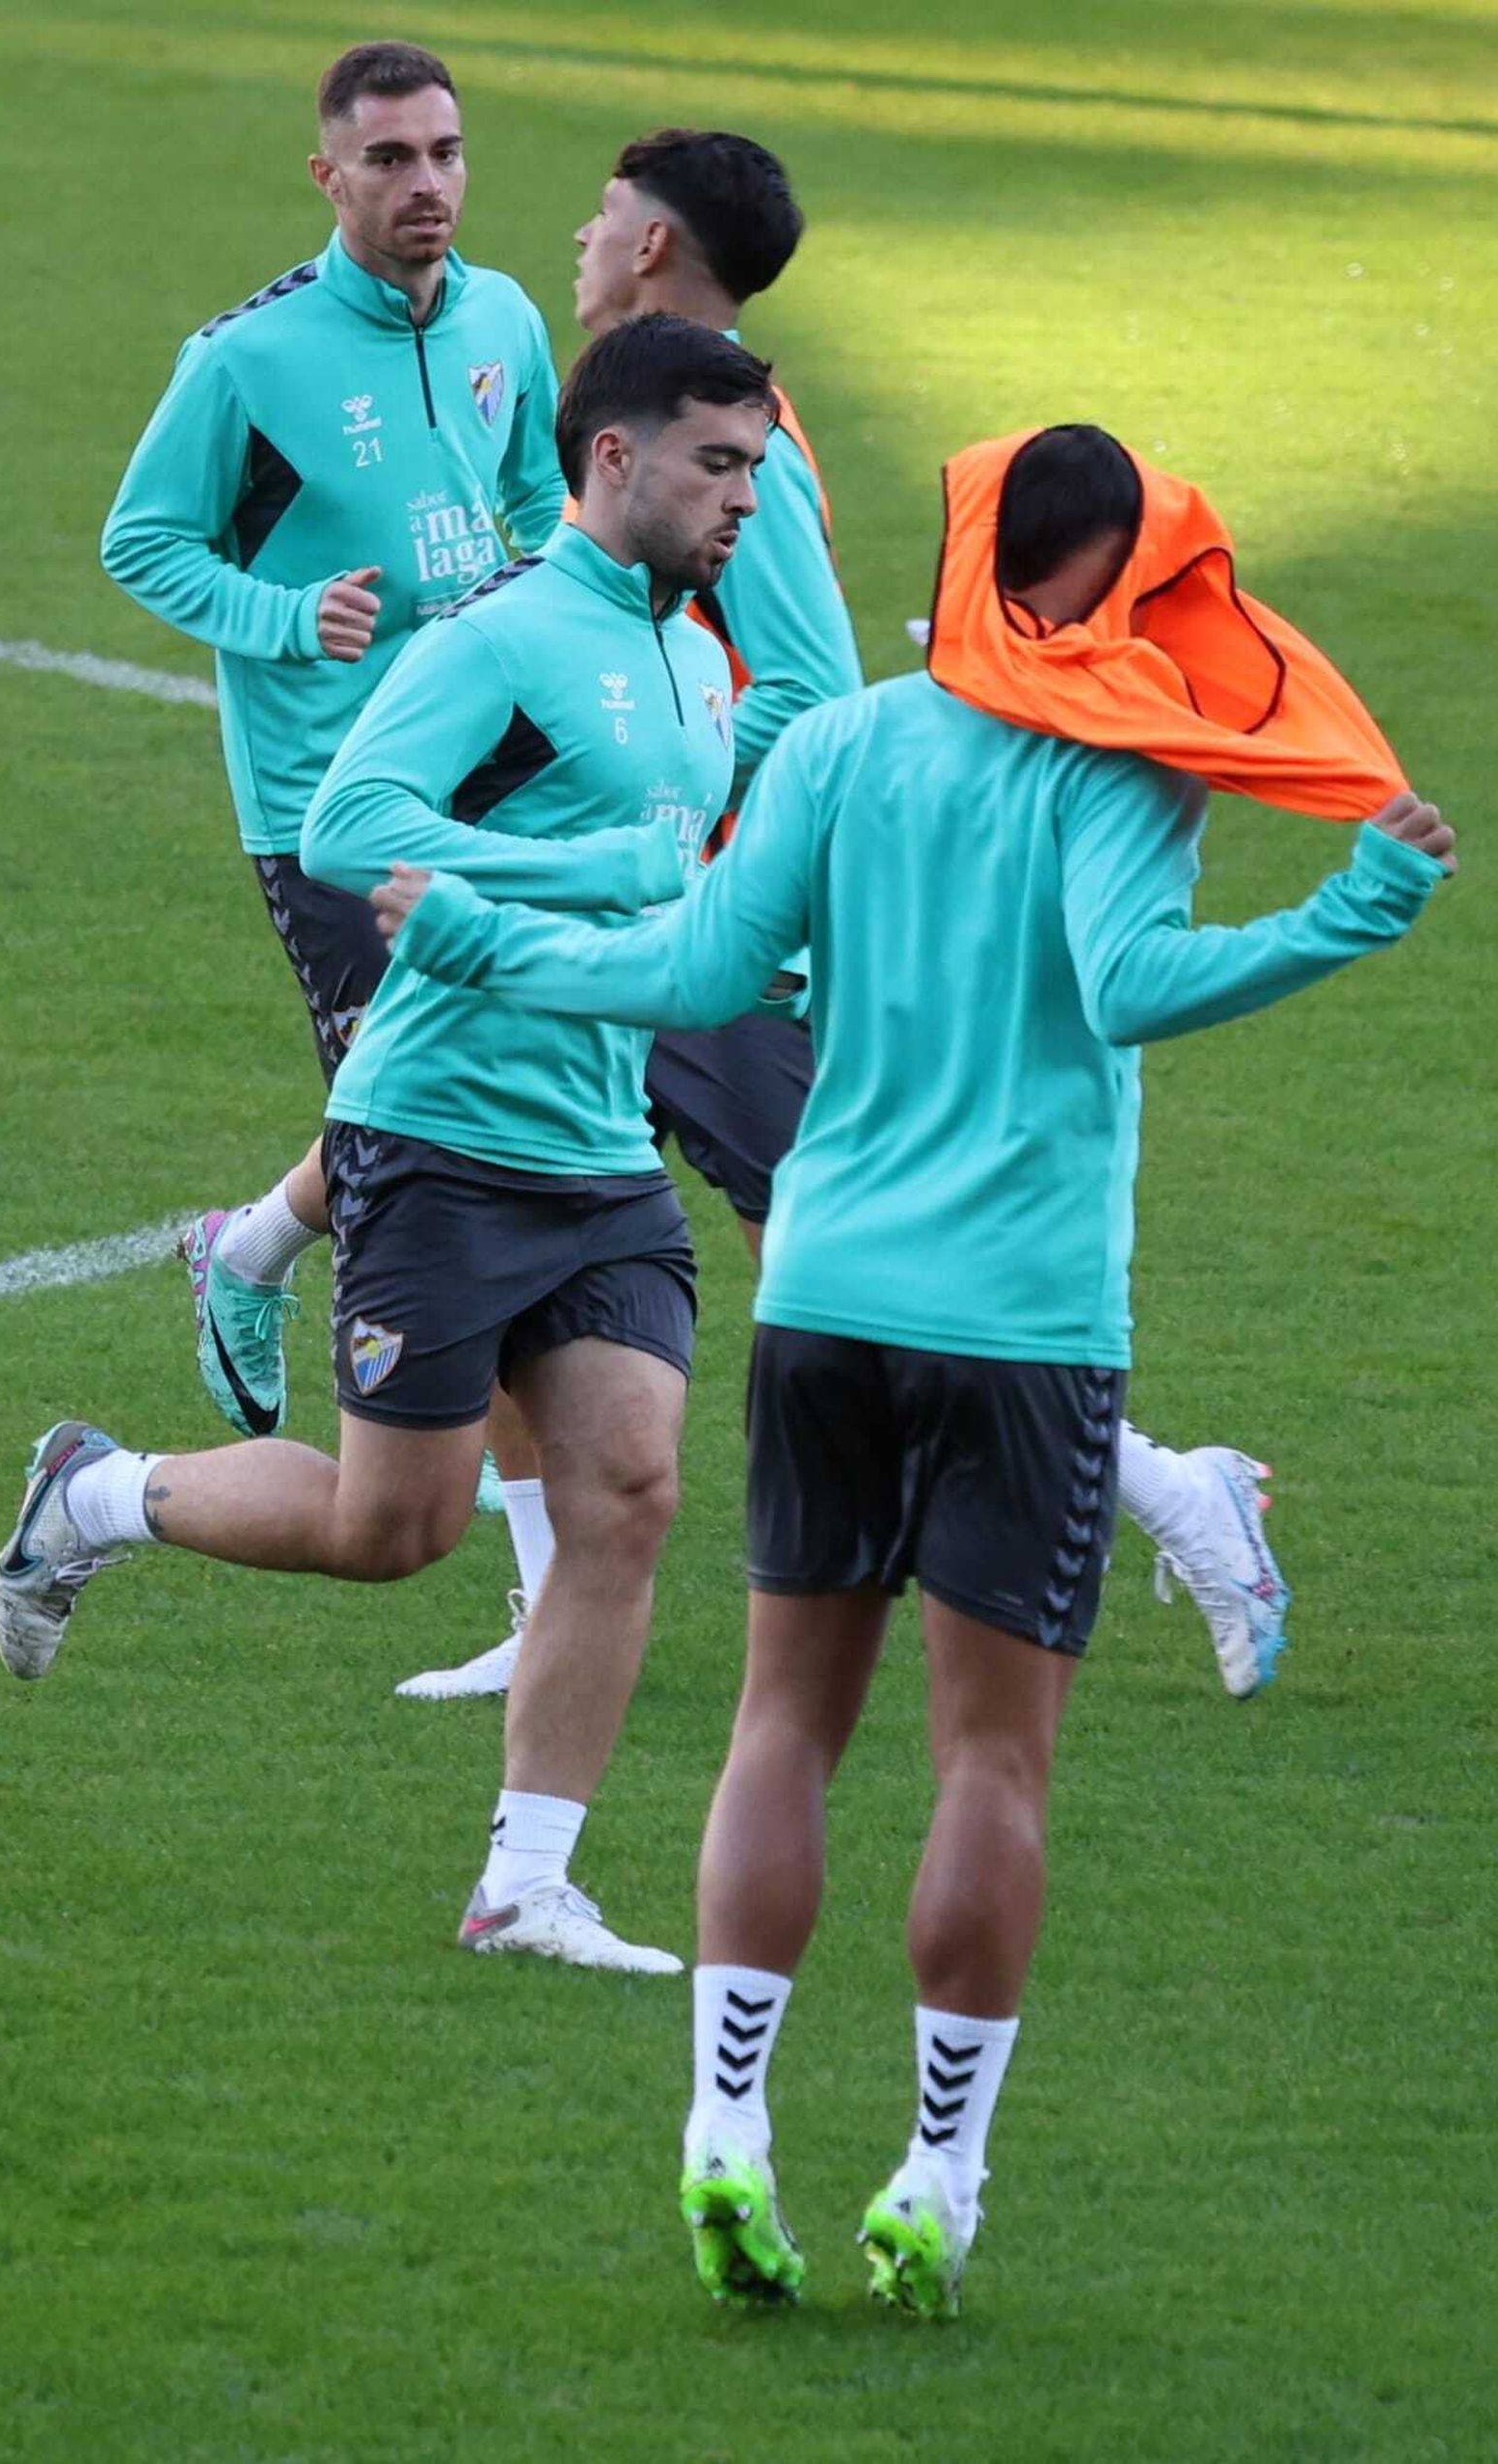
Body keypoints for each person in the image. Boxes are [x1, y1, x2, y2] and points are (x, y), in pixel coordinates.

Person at [364, 424, 1454, 2313]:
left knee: (782, 1724)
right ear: (1113, 576)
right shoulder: (1120, 765)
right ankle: (934, 2177)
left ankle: (723, 2128)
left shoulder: (848, 740)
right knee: (988, 1763)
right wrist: (1348, 911)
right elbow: (1122, 988)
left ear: (966, 550)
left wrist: (473, 934)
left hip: (829, 1302)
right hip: (1023, 1323)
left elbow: (701, 964)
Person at [397, 125, 1291, 1710]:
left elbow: (808, 684)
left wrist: (643, 790)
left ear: (656, 245)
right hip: (665, 899)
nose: (579, 244)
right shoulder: (647, 415)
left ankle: (1172, 1488)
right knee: (498, 1156)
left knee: (820, 1244)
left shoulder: (746, 450)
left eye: (602, 218)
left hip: (728, 922)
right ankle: (540, 1606)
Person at [0, 314, 780, 1977]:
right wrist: (597, 882)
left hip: (599, 1150)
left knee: (629, 1490)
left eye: (759, 471)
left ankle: (526, 1884)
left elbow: (679, 874)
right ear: (613, 459)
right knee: (392, 1531)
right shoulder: (498, 637)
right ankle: (95, 1493)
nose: (746, 502)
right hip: (437, 1134)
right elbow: (353, 824)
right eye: (720, 466)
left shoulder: (701, 654)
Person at [100, 40, 565, 1525]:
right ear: (328, 176)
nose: (424, 183)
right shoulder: (247, 360)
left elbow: (546, 499)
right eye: (388, 160)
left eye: (444, 153)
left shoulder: (500, 316)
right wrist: (289, 620)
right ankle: (517, 1506)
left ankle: (249, 1249)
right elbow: (145, 540)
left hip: (492, 780)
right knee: (435, 1123)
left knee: (481, 1096)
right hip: (329, 806)